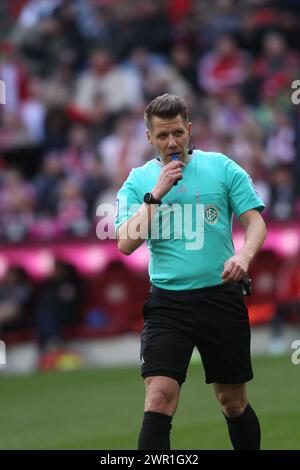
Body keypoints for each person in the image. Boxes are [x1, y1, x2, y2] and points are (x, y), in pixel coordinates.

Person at [114, 94, 266, 450]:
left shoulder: (222, 167)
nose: (172, 142)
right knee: (158, 399)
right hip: (168, 305)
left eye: (178, 133)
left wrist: (244, 255)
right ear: (149, 137)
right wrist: (157, 194)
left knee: (232, 402)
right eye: (163, 135)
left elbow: (255, 221)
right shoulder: (139, 182)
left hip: (221, 297)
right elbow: (124, 243)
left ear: (190, 131)